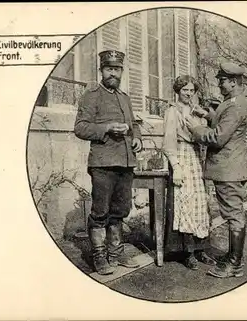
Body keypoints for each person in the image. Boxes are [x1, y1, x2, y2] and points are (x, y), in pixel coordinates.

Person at [74, 50, 143, 275]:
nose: (113, 73)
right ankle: (99, 257)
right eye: (109, 69)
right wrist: (107, 128)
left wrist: (137, 139)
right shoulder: (92, 95)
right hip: (103, 163)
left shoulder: (124, 97)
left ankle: (116, 254)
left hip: (125, 163)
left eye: (117, 69)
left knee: (121, 210)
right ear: (101, 70)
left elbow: (134, 124)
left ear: (121, 71)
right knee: (101, 211)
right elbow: (80, 128)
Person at [185, 62, 247, 278]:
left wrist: (196, 130)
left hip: (229, 169)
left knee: (234, 214)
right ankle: (234, 257)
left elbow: (218, 137)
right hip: (231, 167)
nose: (219, 84)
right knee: (233, 213)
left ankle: (235, 263)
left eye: (222, 81)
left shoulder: (234, 105)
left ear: (233, 82)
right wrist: (206, 115)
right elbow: (222, 122)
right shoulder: (234, 102)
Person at [162, 75, 216, 270]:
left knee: (200, 203)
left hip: (195, 155)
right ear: (178, 91)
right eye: (185, 90)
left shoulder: (196, 111)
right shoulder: (172, 111)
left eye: (192, 90)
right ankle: (188, 252)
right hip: (181, 155)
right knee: (185, 202)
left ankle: (201, 250)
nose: (189, 93)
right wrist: (176, 167)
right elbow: (168, 141)